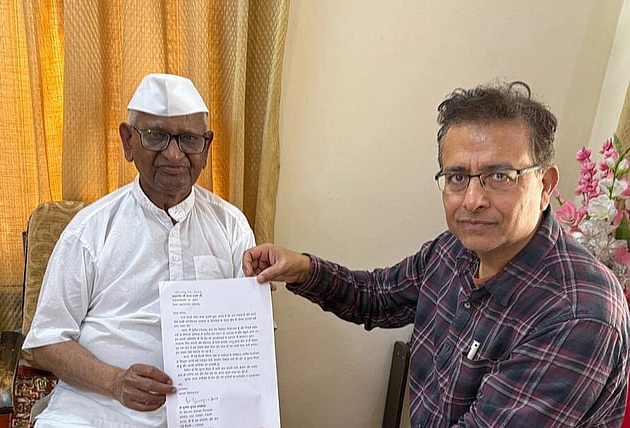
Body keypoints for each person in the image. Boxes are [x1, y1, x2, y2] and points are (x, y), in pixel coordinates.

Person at [243, 81, 630, 427]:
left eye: (499, 176)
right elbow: (378, 297)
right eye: (458, 177)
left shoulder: (579, 314)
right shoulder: (455, 249)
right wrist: (302, 270)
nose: (473, 200)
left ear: (544, 185)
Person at [22, 73, 256, 427]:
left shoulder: (232, 227)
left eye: (189, 139)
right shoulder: (90, 229)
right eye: (156, 136)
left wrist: (257, 302)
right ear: (128, 141)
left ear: (206, 148)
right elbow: (47, 340)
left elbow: (250, 342)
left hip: (203, 412)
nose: (174, 154)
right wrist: (114, 381)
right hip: (96, 408)